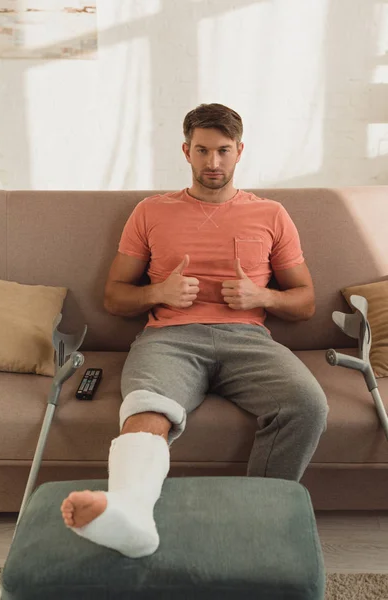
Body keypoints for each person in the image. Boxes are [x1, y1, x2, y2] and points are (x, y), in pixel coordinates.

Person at [61, 103, 329, 559]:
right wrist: (156, 292)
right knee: (146, 410)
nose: (213, 163)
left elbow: (304, 301)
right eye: (202, 150)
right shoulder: (150, 211)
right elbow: (114, 297)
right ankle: (131, 518)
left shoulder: (271, 213)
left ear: (239, 151)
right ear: (186, 151)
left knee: (307, 404)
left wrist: (262, 298)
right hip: (169, 339)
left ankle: (256, 520)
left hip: (248, 341)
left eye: (223, 151)